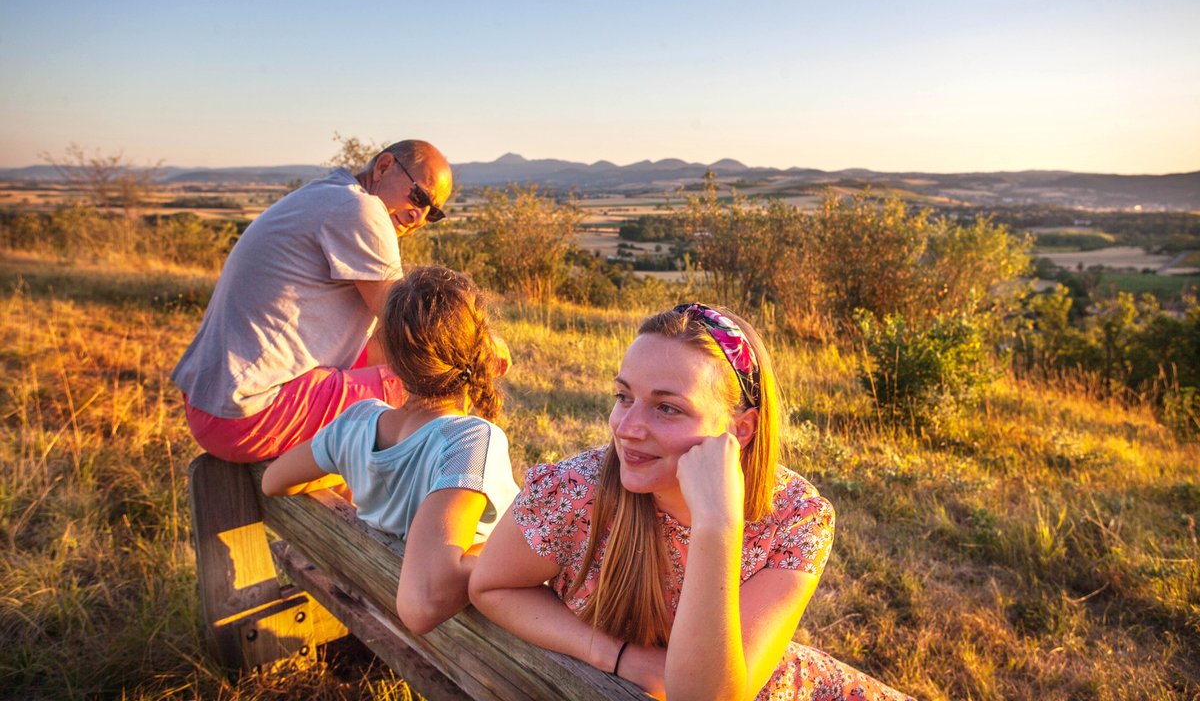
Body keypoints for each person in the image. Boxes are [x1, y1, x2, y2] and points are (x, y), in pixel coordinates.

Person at [469, 303, 913, 701]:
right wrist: (617, 656)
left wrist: (716, 525)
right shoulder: (576, 491)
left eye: (667, 408)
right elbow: (491, 586)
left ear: (741, 429)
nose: (627, 428)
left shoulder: (795, 517)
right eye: (624, 397)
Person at [262, 266, 518, 634]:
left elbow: (273, 481)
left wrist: (355, 467)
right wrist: (519, 550)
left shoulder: (356, 422)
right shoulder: (469, 441)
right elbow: (425, 601)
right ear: (479, 351)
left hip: (375, 601)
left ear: (390, 359)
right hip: (466, 642)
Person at [172, 140, 453, 463]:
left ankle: (343, 490)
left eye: (434, 213)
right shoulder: (361, 209)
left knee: (385, 352)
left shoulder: (328, 194)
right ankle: (391, 510)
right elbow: (408, 324)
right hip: (248, 413)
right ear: (384, 166)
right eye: (418, 196)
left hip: (212, 403)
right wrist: (482, 344)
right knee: (433, 387)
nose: (420, 215)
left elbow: (387, 335)